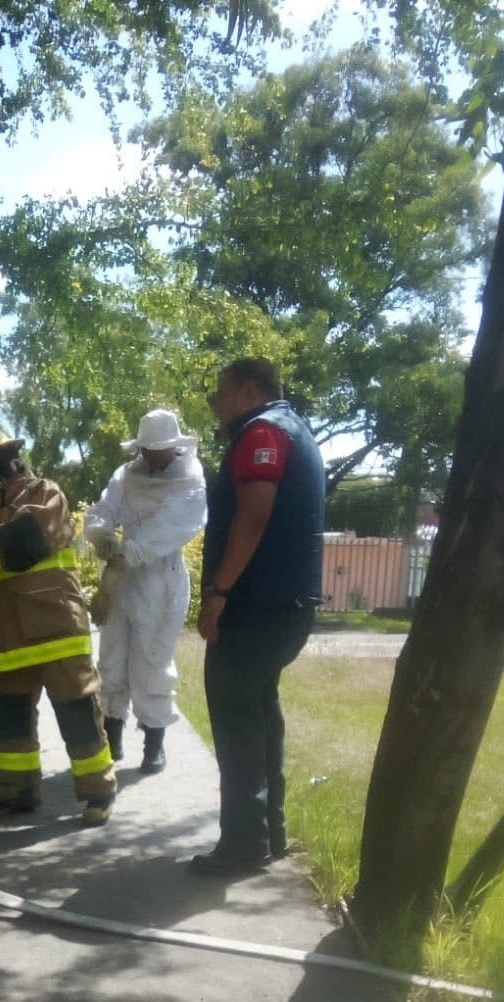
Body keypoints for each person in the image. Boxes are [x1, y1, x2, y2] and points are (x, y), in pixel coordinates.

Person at [0, 424, 116, 824]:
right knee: (9, 721)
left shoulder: (44, 495)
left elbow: (17, 547)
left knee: (77, 713)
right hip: (9, 640)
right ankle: (15, 794)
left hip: (56, 633)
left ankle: (98, 793)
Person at [192, 357, 324, 875]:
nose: (214, 404)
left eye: (219, 393)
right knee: (260, 714)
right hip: (285, 607)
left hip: (256, 607)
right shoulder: (294, 429)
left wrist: (219, 591)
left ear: (248, 390)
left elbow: (255, 514)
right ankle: (268, 835)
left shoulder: (262, 432)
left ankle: (245, 842)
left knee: (236, 718)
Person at [83, 408, 207, 774]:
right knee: (112, 656)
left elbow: (171, 527)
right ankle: (113, 735)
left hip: (161, 580)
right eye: (146, 450)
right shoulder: (127, 474)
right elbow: (104, 508)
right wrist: (102, 535)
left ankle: (154, 743)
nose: (150, 458)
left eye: (157, 450)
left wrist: (128, 553)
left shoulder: (190, 480)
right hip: (121, 579)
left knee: (152, 661)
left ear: (173, 447)